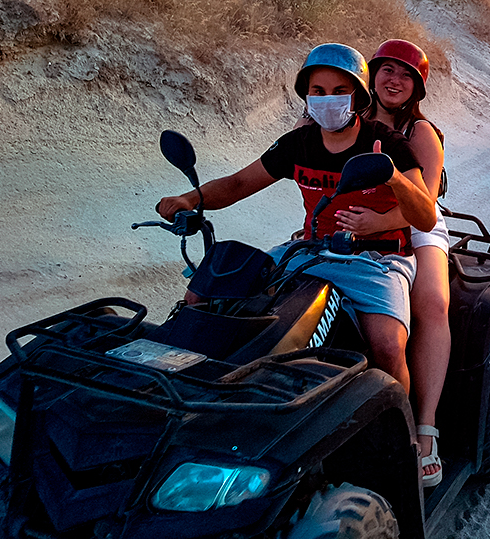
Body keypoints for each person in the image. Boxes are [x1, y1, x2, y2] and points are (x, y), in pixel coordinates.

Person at [158, 43, 436, 396]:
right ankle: (188, 386)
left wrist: (394, 177)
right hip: (308, 252)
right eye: (318, 91)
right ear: (307, 95)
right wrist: (190, 199)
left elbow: (425, 217)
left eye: (339, 91)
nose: (327, 100)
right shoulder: (298, 144)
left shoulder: (387, 143)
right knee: (212, 296)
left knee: (388, 346)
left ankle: (401, 424)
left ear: (358, 95)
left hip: (376, 260)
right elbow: (239, 183)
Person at [334, 39, 450, 487]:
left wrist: (379, 223)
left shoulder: (421, 133)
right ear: (372, 75)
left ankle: (425, 427)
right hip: (357, 218)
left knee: (432, 302)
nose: (394, 80)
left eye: (406, 75)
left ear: (417, 87)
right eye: (387, 70)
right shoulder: (351, 120)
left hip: (414, 222)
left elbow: (427, 204)